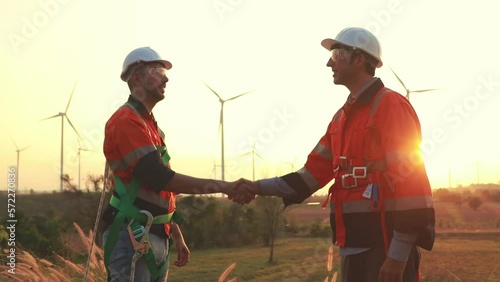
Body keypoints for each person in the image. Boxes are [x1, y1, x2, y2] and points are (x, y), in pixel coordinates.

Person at [232, 27, 435, 282]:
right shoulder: (341, 118)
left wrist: (397, 257)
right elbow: (309, 176)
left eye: (337, 53)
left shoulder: (391, 106)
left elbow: (411, 184)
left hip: (383, 248)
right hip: (352, 246)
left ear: (359, 59)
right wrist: (256, 186)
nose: (329, 62)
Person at [101, 46, 241, 282]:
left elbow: (161, 190)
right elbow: (157, 176)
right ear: (136, 77)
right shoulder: (126, 121)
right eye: (157, 70)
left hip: (155, 234)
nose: (166, 78)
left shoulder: (151, 127)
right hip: (132, 234)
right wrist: (223, 186)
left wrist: (176, 233)